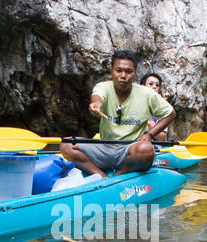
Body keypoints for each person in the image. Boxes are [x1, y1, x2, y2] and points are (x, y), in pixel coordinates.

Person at [60, 50, 176, 178]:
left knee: (146, 150)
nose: (123, 75)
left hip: (130, 149)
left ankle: (118, 177)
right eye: (118, 70)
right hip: (103, 147)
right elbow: (98, 97)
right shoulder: (103, 87)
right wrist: (96, 104)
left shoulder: (147, 94)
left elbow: (170, 114)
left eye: (128, 71)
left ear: (135, 73)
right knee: (66, 144)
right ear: (112, 71)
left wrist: (149, 134)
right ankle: (100, 176)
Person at [140, 72, 168, 142]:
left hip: (156, 149)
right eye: (150, 84)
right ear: (143, 86)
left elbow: (161, 137)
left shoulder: (162, 107)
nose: (154, 87)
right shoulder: (132, 104)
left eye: (157, 85)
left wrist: (148, 124)